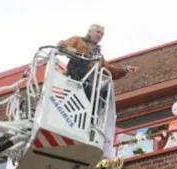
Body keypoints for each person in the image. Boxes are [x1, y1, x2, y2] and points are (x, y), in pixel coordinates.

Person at [58, 24, 140, 159]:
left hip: (90, 78)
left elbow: (110, 69)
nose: (99, 35)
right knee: (89, 87)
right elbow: (63, 45)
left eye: (102, 33)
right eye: (97, 32)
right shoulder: (78, 40)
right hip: (76, 75)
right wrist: (76, 53)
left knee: (101, 94)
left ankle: (90, 122)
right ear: (89, 31)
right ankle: (85, 120)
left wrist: (125, 69)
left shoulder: (98, 54)